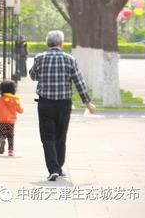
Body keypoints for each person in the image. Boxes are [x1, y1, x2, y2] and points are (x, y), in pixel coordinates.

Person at [29, 30, 97, 181]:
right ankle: (58, 168)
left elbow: (33, 76)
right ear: (61, 43)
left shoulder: (39, 58)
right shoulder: (70, 59)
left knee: (47, 137)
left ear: (48, 43)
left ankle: (54, 168)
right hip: (64, 105)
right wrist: (87, 102)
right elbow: (79, 82)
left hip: (45, 103)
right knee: (61, 136)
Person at [0, 79, 23, 156]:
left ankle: (2, 140)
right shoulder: (15, 99)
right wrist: (21, 111)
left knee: (1, 134)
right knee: (11, 136)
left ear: (1, 89)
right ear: (13, 89)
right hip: (11, 121)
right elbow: (19, 109)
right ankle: (10, 151)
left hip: (2, 120)